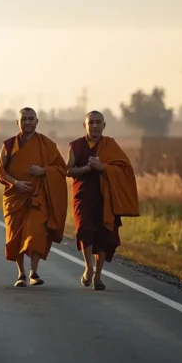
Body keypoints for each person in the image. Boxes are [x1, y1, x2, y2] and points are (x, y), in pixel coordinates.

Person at [67, 111, 139, 290]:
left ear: (104, 125)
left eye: (98, 122)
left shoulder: (110, 145)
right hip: (83, 196)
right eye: (91, 122)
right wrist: (85, 169)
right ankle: (89, 267)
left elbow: (125, 169)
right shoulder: (76, 146)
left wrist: (103, 167)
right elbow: (67, 170)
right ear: (85, 125)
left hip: (107, 197)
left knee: (105, 235)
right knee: (84, 229)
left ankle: (98, 276)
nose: (95, 126)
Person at [0, 108, 68, 287]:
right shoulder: (9, 145)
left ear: (37, 121)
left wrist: (44, 171)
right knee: (16, 236)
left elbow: (61, 168)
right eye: (23, 119)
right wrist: (15, 183)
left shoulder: (47, 145)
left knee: (36, 233)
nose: (27, 122)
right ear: (17, 122)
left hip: (38, 198)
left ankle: (34, 272)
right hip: (15, 197)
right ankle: (21, 274)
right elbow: (0, 171)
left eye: (30, 119)